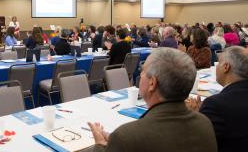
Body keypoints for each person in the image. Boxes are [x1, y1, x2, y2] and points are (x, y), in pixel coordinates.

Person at [89, 48, 217, 152]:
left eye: (143, 71)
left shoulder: (126, 136)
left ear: (152, 83)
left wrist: (101, 145)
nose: (140, 75)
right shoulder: (204, 123)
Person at [186, 46, 248, 152]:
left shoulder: (215, 105)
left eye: (219, 63)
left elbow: (198, 143)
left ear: (226, 67)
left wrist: (196, 118)